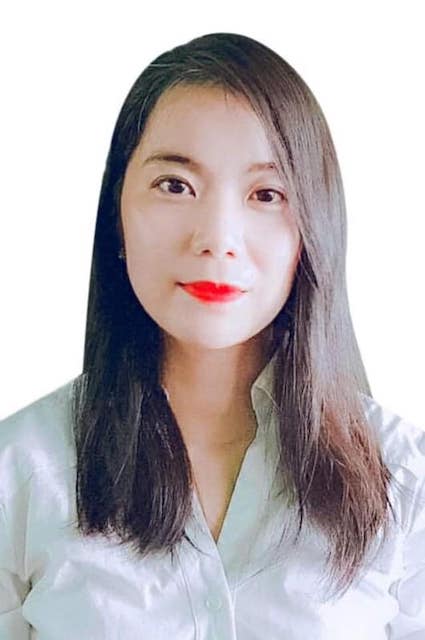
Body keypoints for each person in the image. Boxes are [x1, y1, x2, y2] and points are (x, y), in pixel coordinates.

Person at [0, 32, 424, 640]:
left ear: (313, 230)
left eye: (266, 194)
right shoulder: (19, 472)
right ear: (117, 215)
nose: (218, 237)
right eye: (176, 185)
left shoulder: (404, 483)